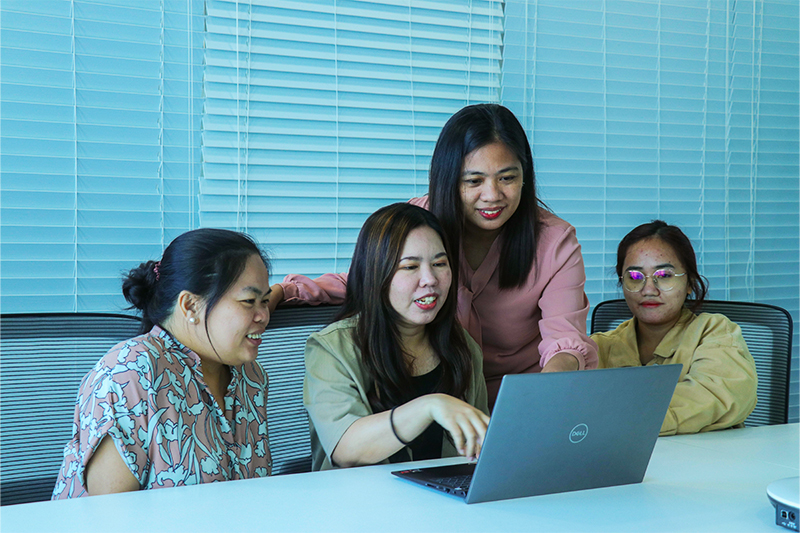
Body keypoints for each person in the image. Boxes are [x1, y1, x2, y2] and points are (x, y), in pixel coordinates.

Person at [272, 104, 598, 407]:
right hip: (440, 399)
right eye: (474, 181)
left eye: (507, 178)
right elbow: (369, 278)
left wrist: (543, 400)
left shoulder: (554, 241)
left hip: (522, 400)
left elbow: (566, 343)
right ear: (449, 181)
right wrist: (283, 292)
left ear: (525, 176)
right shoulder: (422, 220)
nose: (493, 195)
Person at [52, 228, 273, 498]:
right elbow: (109, 518)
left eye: (265, 300)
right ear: (190, 305)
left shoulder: (251, 377)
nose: (263, 315)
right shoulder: (128, 374)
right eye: (249, 301)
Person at [304, 203, 489, 470]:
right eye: (410, 266)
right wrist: (429, 406)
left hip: (444, 507)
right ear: (376, 273)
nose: (430, 279)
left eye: (439, 263)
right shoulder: (332, 348)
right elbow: (346, 448)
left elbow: (478, 448)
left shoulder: (463, 348)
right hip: (359, 507)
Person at [591, 220, 758, 435]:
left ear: (689, 283)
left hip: (703, 463)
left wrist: (621, 419)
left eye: (664, 276)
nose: (649, 289)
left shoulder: (714, 332)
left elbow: (719, 396)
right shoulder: (599, 348)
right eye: (634, 276)